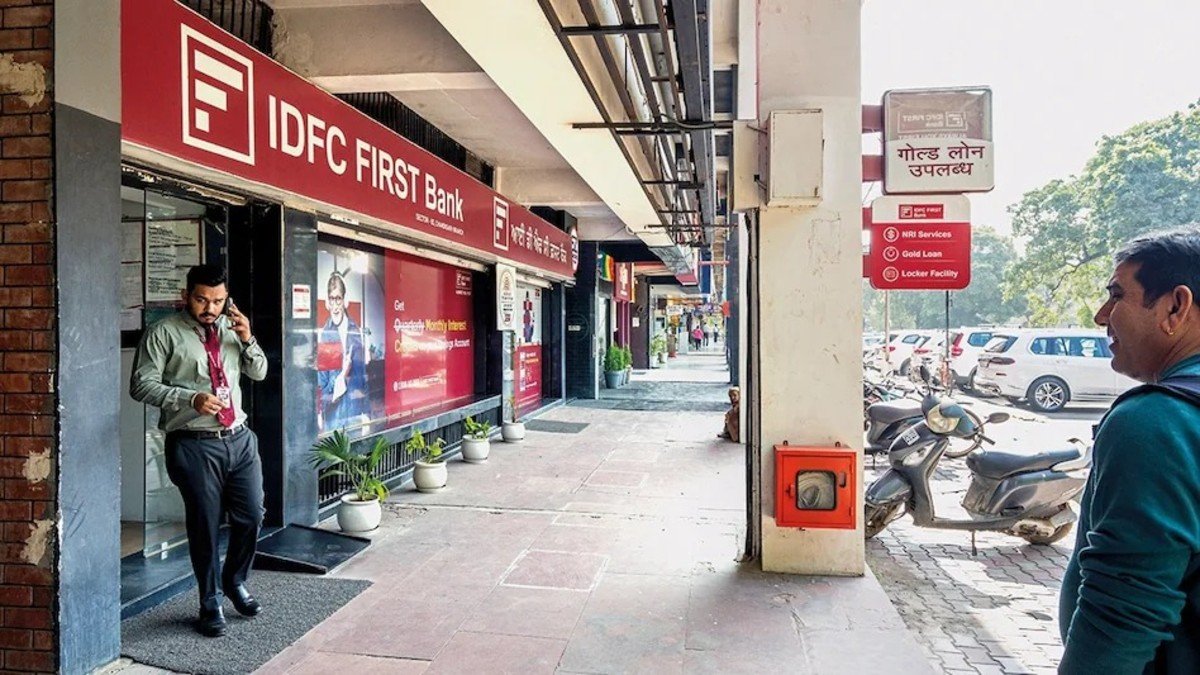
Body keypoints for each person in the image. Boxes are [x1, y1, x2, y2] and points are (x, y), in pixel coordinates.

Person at [1059, 226, 1200, 673]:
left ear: (1176, 306)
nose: (1101, 316)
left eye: (1117, 295)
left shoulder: (1156, 423)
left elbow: (1121, 622)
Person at [130, 264, 268, 638]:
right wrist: (189, 398)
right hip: (194, 443)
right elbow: (141, 385)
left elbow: (259, 373)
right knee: (205, 525)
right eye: (202, 300)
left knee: (252, 515)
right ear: (186, 296)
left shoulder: (231, 328)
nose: (210, 308)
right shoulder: (163, 333)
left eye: (218, 301)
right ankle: (210, 602)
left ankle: (234, 581)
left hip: (239, 439)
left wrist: (248, 338)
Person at [317, 272, 368, 431]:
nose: (335, 305)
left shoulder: (354, 330)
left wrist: (366, 412)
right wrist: (342, 375)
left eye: (338, 298)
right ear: (327, 302)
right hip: (334, 418)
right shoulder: (325, 335)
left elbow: (362, 375)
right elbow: (323, 387)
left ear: (344, 300)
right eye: (331, 299)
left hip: (354, 414)